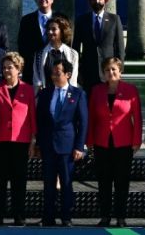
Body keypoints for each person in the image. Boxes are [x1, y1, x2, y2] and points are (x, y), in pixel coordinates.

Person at [87, 57, 141, 227]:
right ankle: (105, 216)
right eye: (107, 70)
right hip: (102, 142)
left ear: (120, 71)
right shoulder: (96, 91)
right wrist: (89, 140)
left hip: (123, 143)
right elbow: (91, 118)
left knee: (121, 182)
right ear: (103, 73)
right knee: (103, 182)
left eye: (114, 70)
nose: (110, 73)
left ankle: (120, 217)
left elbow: (137, 118)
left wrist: (136, 141)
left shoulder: (130, 90)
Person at [35, 59, 87, 227]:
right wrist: (38, 143)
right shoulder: (44, 94)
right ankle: (48, 217)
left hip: (67, 146)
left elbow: (83, 121)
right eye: (52, 73)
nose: (54, 76)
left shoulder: (78, 94)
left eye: (58, 73)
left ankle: (66, 217)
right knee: (48, 183)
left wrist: (79, 146)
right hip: (48, 145)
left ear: (68, 75)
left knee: (66, 183)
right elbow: (40, 120)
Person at [0, 53, 36, 226]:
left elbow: (32, 117)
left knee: (19, 182)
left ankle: (19, 215)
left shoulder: (28, 89)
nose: (6, 70)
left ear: (18, 69)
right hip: (0, 141)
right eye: (4, 67)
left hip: (21, 141)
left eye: (10, 67)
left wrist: (32, 141)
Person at [72, 0, 125, 92]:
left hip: (109, 71)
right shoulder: (82, 20)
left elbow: (119, 47)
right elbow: (75, 48)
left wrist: (119, 69)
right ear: (90, 1)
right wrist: (77, 69)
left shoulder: (114, 19)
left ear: (104, 1)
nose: (96, 1)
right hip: (88, 71)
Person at [17, 0, 64, 83]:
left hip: (56, 67)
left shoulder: (61, 19)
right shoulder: (26, 20)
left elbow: (66, 41)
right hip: (32, 71)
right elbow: (21, 44)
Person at [33, 15, 79, 90]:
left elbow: (73, 81)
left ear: (62, 31)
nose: (50, 32)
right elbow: (36, 81)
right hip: (46, 96)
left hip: (65, 97)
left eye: (54, 29)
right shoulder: (39, 54)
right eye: (48, 29)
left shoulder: (73, 54)